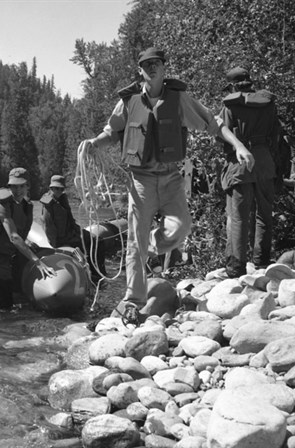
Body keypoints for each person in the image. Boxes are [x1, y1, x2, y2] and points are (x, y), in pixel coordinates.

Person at [80, 48, 255, 310]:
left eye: (156, 64)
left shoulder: (178, 98)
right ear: (140, 71)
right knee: (135, 242)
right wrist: (94, 144)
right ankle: (134, 301)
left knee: (180, 228)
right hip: (140, 181)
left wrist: (239, 146)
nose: (151, 68)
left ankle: (147, 246)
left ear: (164, 68)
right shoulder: (128, 101)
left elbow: (212, 122)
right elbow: (112, 132)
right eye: (146, 64)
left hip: (171, 176)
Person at [219, 66, 281, 278]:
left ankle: (236, 266)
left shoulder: (230, 106)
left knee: (238, 217)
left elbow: (222, 135)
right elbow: (276, 136)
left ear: (232, 85)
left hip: (240, 164)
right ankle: (262, 261)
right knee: (264, 213)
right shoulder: (268, 104)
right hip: (264, 161)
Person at [0, 167, 55, 309]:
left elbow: (21, 236)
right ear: (9, 187)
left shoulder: (27, 208)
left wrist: (29, 245)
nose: (17, 190)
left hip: (3, 261)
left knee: (5, 308)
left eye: (21, 186)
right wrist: (37, 262)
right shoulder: (1, 204)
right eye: (14, 186)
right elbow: (14, 237)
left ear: (28, 186)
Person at [39, 174, 106, 279]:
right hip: (62, 239)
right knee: (87, 245)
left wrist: (80, 232)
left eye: (61, 189)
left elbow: (70, 220)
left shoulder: (61, 199)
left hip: (71, 232)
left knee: (98, 240)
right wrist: (56, 247)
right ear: (50, 188)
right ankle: (93, 274)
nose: (59, 191)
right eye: (56, 188)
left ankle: (100, 273)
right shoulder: (48, 204)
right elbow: (48, 227)